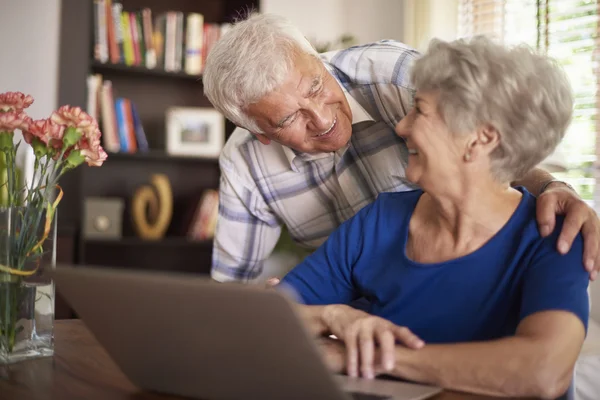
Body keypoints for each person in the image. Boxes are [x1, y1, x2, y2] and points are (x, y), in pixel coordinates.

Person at [278, 36, 589, 399]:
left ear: (479, 139)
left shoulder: (554, 235)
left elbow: (543, 372)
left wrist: (373, 358)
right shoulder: (380, 220)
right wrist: (332, 317)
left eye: (420, 111)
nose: (401, 127)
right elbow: (271, 319)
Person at [203, 12, 600, 284]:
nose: (322, 121)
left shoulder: (396, 77)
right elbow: (234, 290)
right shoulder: (249, 164)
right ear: (259, 132)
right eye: (289, 119)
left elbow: (498, 145)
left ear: (319, 59)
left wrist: (553, 187)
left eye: (316, 88)